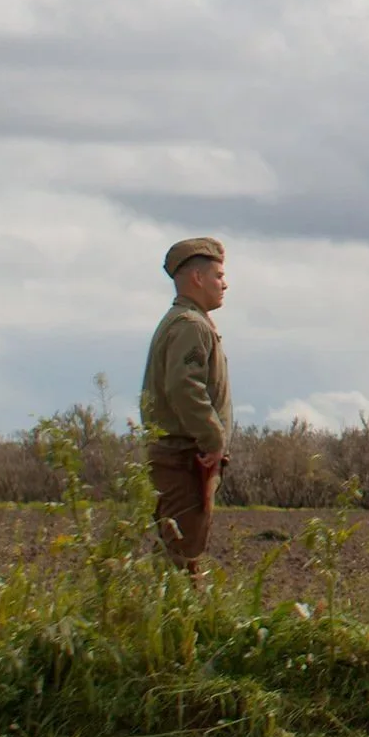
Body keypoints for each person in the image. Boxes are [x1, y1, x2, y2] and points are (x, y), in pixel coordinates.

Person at [141, 237, 234, 576]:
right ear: (197, 278)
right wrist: (212, 439)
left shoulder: (184, 321)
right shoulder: (191, 326)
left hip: (181, 456)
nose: (224, 283)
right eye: (218, 275)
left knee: (179, 552)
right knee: (180, 556)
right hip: (184, 458)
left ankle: (173, 624)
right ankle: (168, 626)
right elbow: (185, 386)